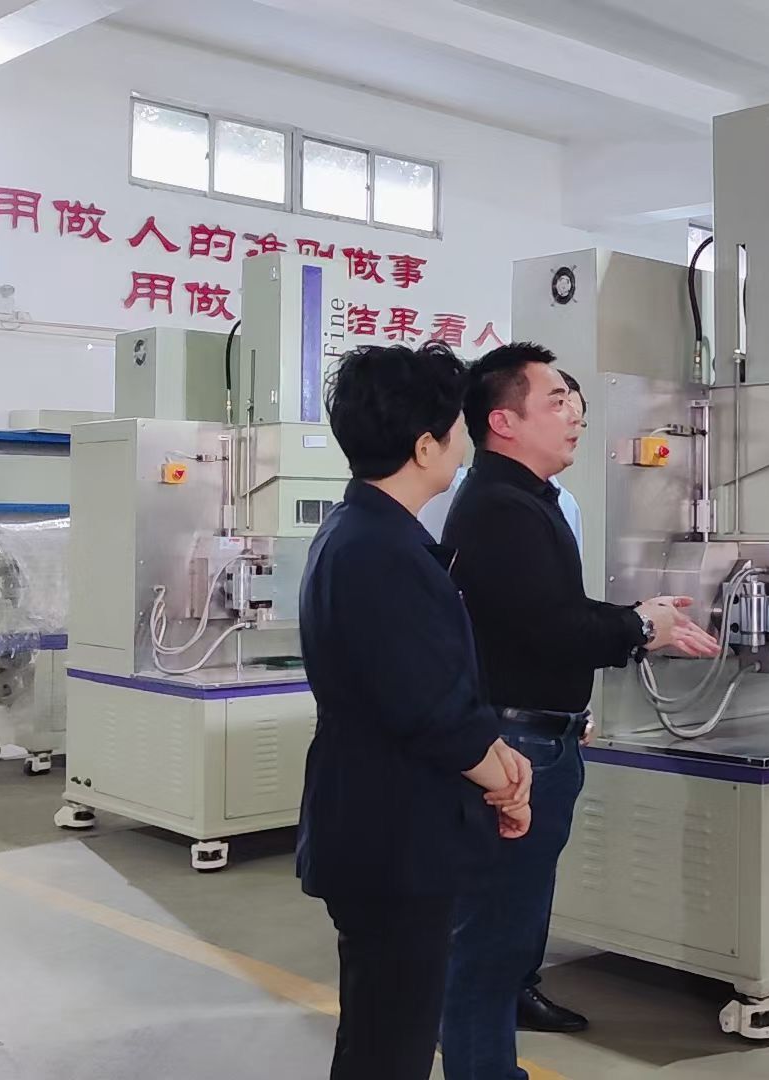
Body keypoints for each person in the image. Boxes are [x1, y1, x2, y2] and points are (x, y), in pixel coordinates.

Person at [438, 342, 717, 1080]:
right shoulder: (502, 508)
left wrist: (635, 618)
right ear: (503, 420)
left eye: (575, 402)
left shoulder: (528, 501)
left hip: (539, 734)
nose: (575, 416)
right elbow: (553, 628)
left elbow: (546, 613)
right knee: (491, 939)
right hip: (518, 745)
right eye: (556, 401)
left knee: (505, 930)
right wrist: (640, 626)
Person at [296, 341, 534, 1080]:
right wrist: (504, 776)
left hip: (376, 822)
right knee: (391, 1047)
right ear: (426, 446)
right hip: (392, 835)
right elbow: (427, 708)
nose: (464, 440)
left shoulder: (365, 532)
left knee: (379, 1032)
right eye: (455, 426)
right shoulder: (381, 551)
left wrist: (497, 757)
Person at [420, 369, 583, 550]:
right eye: (558, 404)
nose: (575, 421)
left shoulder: (564, 502)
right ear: (502, 422)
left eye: (579, 414)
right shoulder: (469, 492)